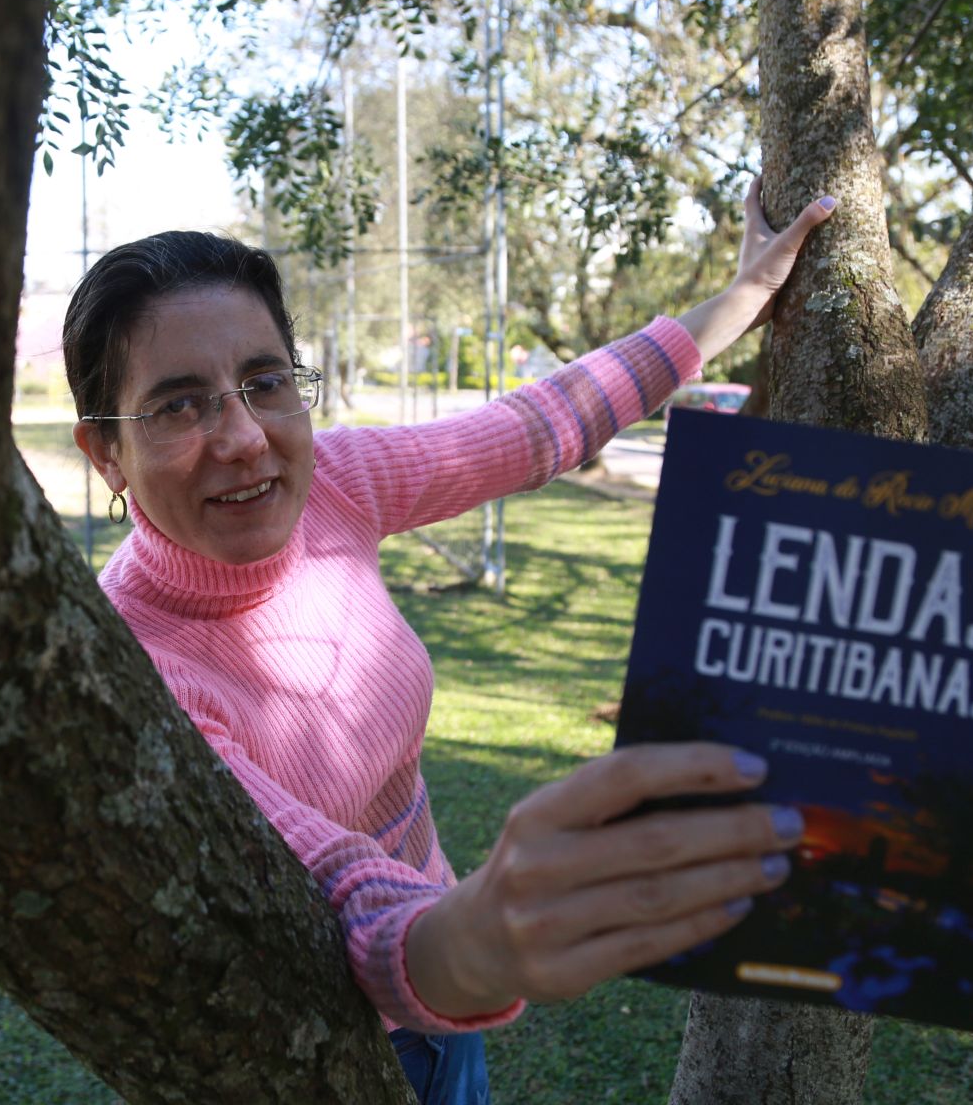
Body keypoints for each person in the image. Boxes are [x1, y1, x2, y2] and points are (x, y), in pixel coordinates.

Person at [64, 180, 837, 1104]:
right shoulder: (134, 667)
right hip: (331, 1045)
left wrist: (744, 298)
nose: (242, 438)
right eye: (178, 407)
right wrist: (473, 941)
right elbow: (325, 874)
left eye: (265, 383)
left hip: (447, 995)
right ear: (105, 451)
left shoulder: (336, 483)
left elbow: (538, 426)